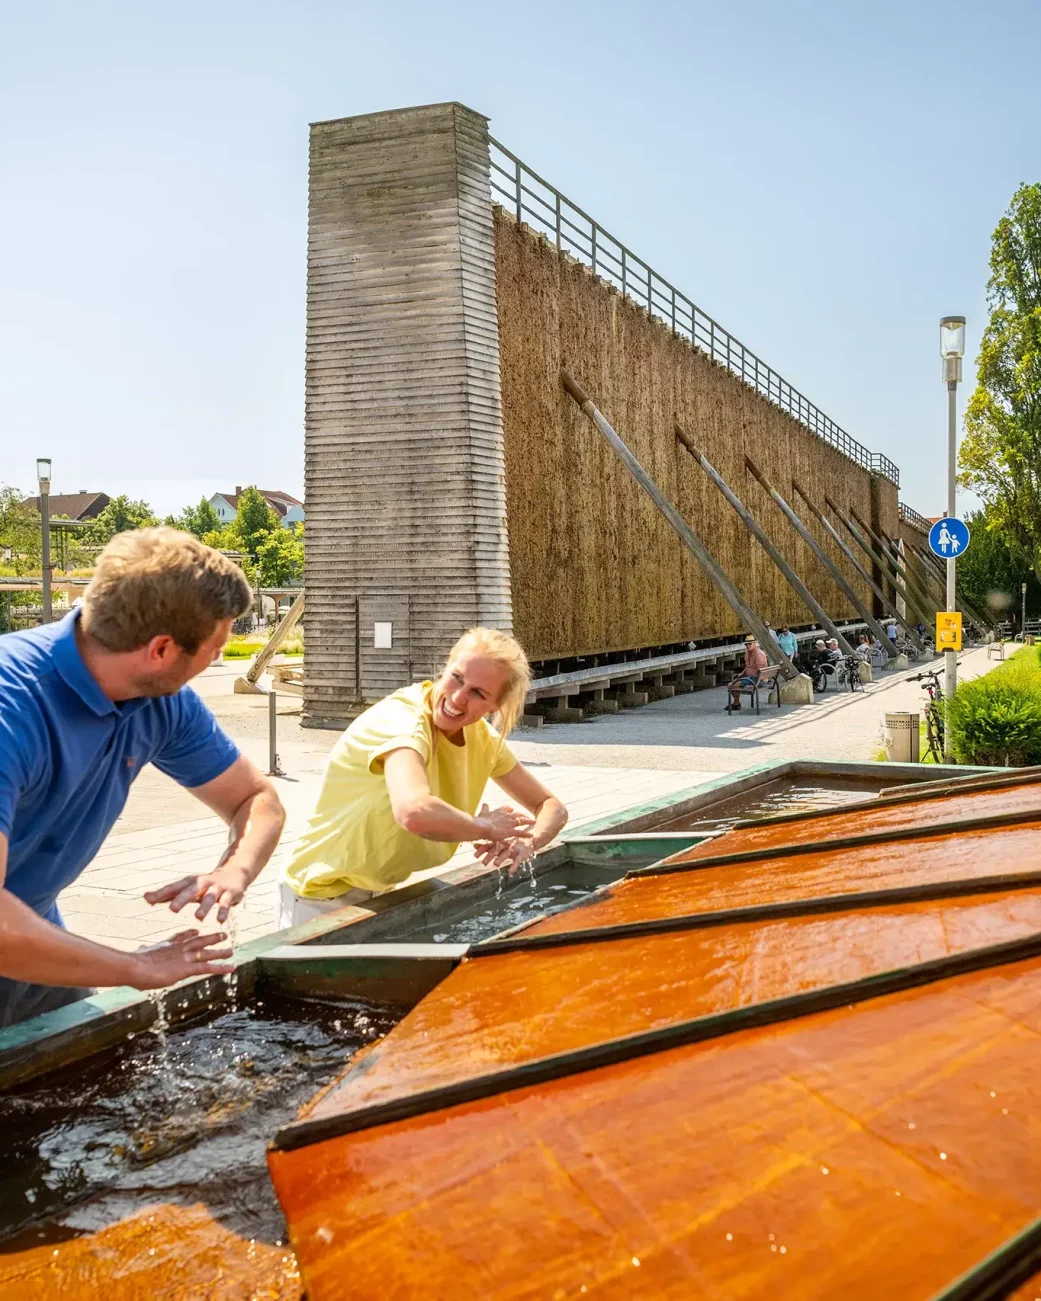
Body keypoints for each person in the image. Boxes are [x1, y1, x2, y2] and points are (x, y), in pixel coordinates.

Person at [0, 528, 287, 1029]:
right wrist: (135, 967)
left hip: (34, 934)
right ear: (160, 650)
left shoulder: (162, 701)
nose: (218, 659)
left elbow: (256, 798)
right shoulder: (13, 709)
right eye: (216, 648)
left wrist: (232, 873)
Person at [278, 627, 568, 927]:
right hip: (318, 897)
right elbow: (413, 811)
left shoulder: (484, 740)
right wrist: (485, 827)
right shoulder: (403, 720)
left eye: (478, 693)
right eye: (456, 678)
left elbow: (551, 807)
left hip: (377, 892)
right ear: (445, 668)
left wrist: (527, 842)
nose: (458, 697)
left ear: (495, 706)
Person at [727, 634, 769, 713]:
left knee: (731, 685)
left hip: (756, 679)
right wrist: (742, 673)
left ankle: (736, 704)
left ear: (754, 643)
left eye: (750, 644)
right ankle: (736, 703)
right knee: (731, 684)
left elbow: (761, 671)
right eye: (746, 644)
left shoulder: (758, 654)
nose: (748, 646)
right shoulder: (747, 652)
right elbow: (748, 666)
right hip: (750, 678)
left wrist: (754, 684)